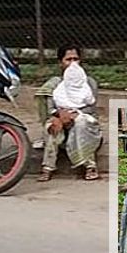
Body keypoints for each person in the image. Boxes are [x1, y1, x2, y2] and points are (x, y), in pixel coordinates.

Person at [36, 46, 102, 182]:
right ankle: (47, 168)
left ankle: (90, 166)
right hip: (59, 118)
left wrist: (74, 114)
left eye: (75, 59)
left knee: (82, 123)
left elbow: (91, 108)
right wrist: (59, 116)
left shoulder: (89, 83)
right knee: (51, 126)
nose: (72, 63)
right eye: (68, 59)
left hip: (81, 119)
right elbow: (49, 108)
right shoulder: (54, 84)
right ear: (61, 63)